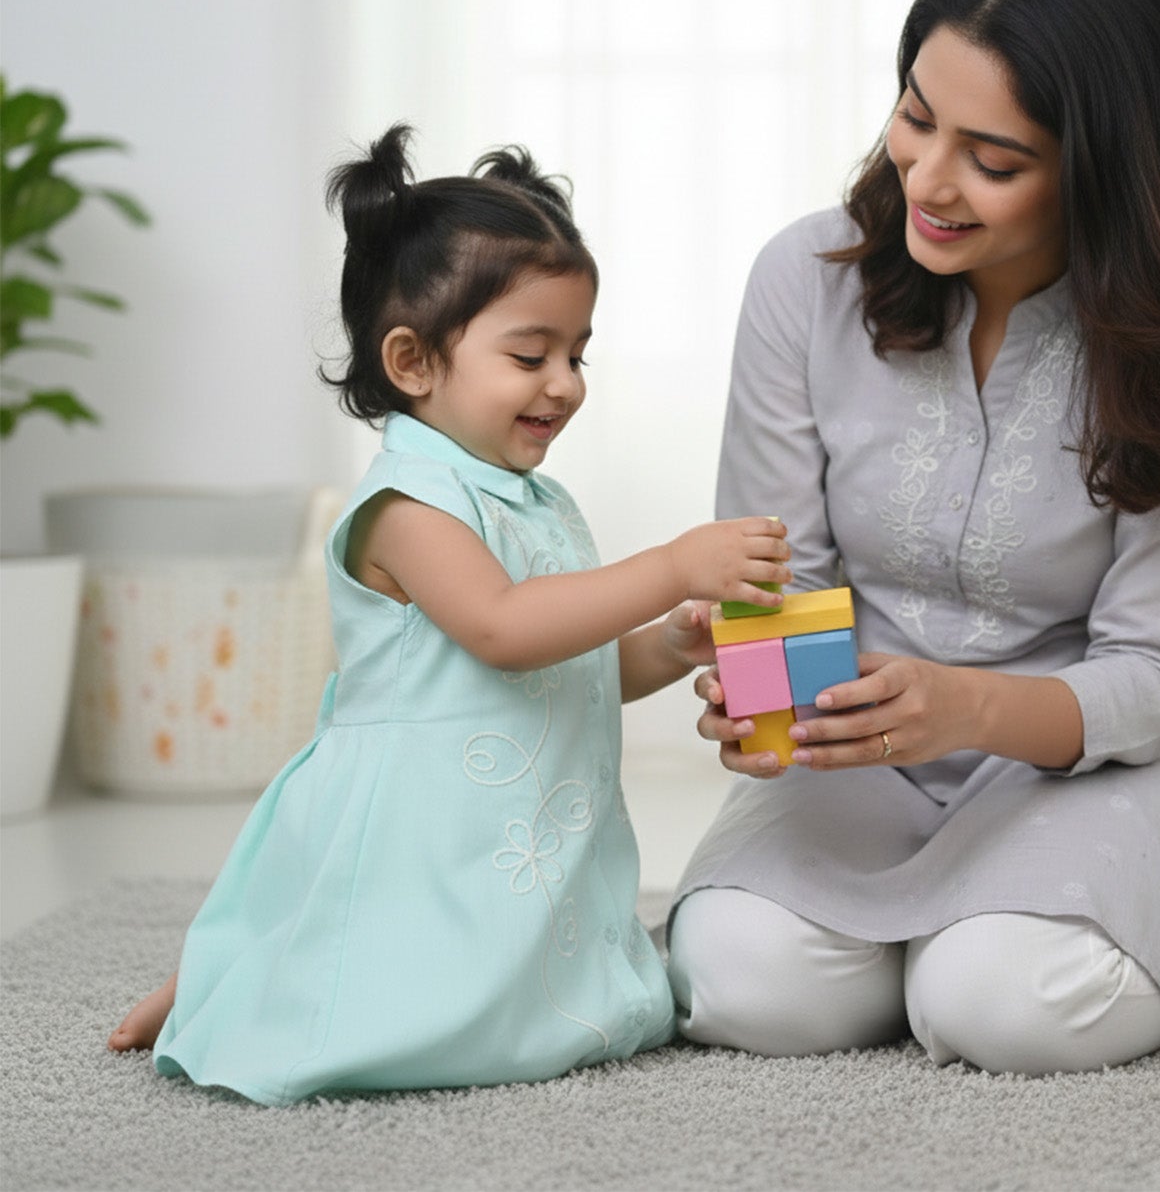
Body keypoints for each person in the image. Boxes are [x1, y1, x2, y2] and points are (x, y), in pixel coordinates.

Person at [668, 0, 1160, 1077]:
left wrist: (968, 711)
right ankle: (1078, 919)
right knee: (742, 983)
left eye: (992, 160)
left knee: (998, 1006)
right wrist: (765, 711)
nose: (928, 181)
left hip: (1102, 758)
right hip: (868, 754)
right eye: (914, 116)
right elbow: (779, 573)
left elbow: (1153, 676)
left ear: (1104, 174)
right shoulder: (806, 281)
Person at [107, 125, 791, 1103]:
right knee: (353, 966)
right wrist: (672, 564)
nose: (565, 383)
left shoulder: (536, 501)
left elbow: (573, 659)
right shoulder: (409, 506)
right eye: (530, 353)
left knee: (520, 977)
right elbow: (505, 629)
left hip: (513, 823)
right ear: (413, 362)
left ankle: (251, 985)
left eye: (578, 353)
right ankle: (220, 991)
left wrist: (670, 643)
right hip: (418, 823)